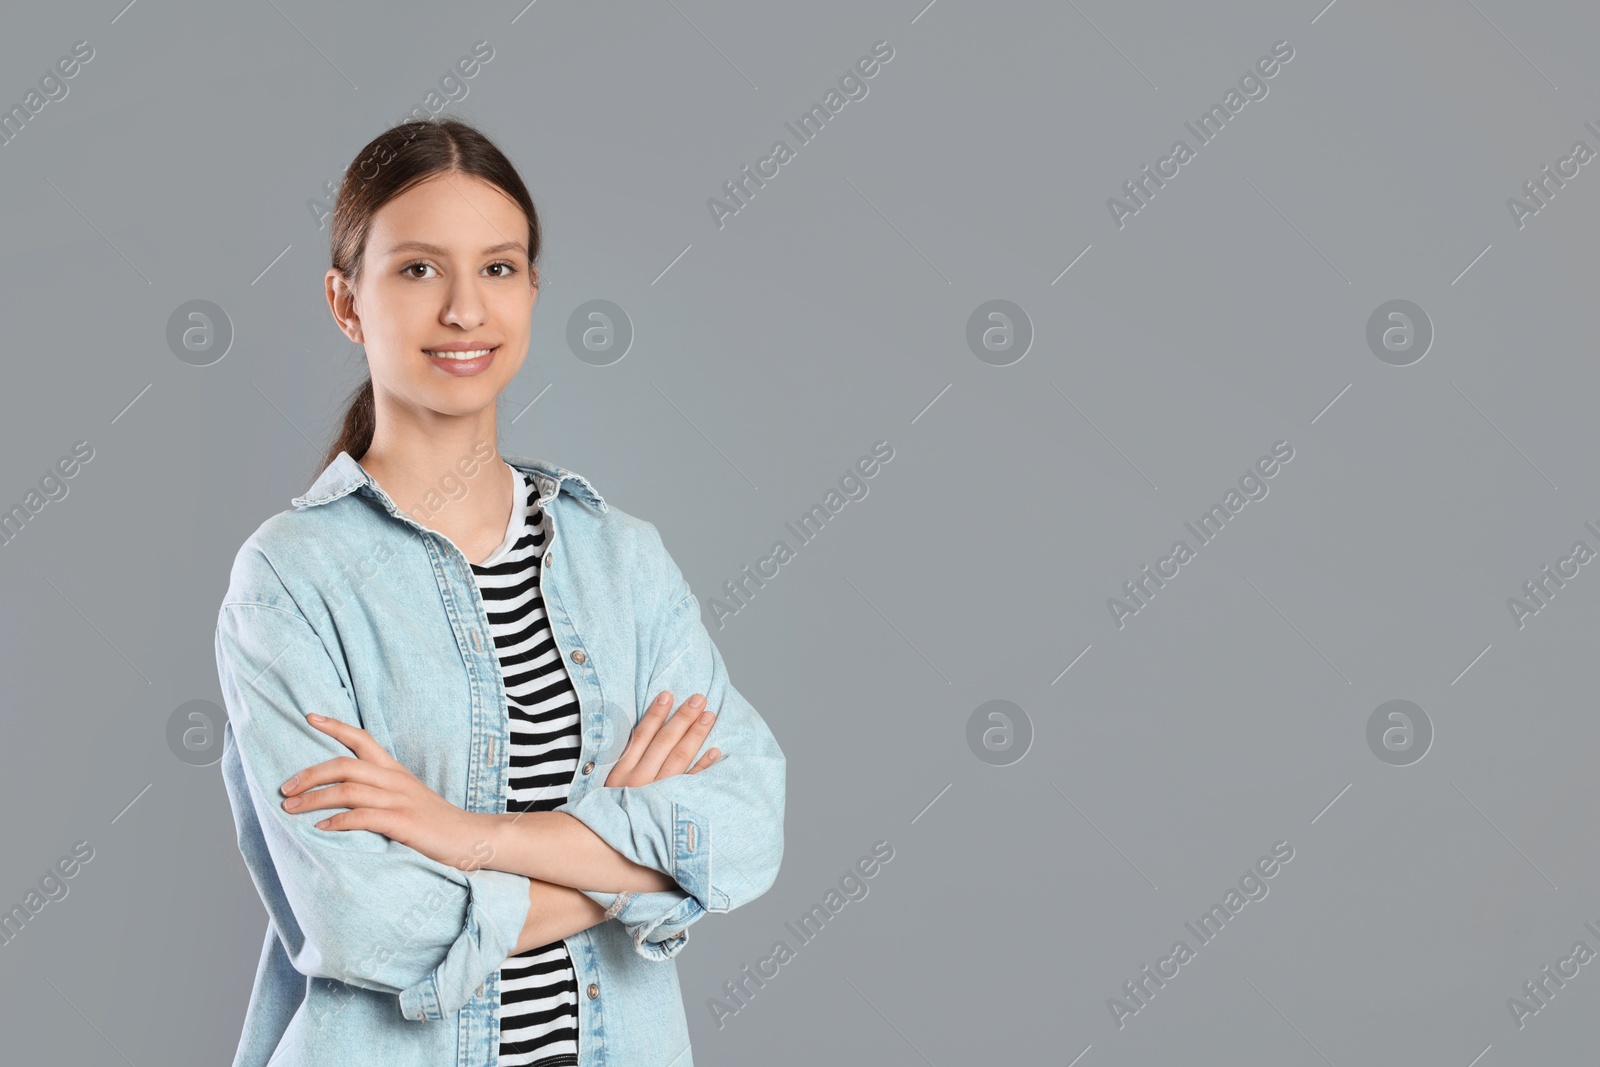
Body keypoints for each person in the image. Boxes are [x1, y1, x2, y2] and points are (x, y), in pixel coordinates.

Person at [214, 117, 786, 1067]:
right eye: (417, 269)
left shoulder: (623, 561)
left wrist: (462, 835)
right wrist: (639, 871)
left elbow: (745, 831)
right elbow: (366, 921)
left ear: (530, 290)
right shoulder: (292, 577)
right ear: (345, 301)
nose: (465, 310)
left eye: (499, 268)